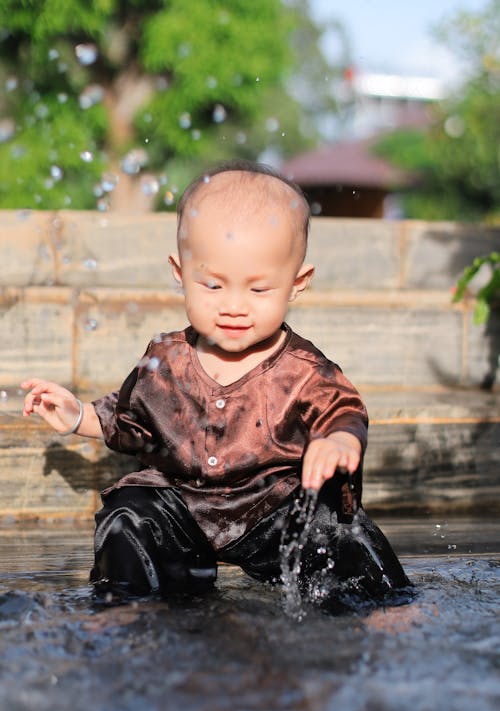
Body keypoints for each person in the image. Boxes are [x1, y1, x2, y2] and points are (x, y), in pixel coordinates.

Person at [21, 160, 411, 613]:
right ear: (179, 271)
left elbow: (342, 408)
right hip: (181, 507)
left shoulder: (302, 368)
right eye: (213, 284)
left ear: (297, 284)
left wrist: (341, 438)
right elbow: (129, 419)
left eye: (258, 290)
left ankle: (388, 606)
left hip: (272, 509)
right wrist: (77, 416)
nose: (233, 306)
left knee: (336, 528)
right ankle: (125, 605)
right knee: (129, 515)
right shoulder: (166, 359)